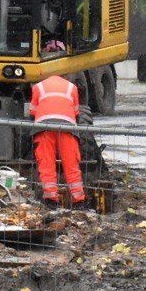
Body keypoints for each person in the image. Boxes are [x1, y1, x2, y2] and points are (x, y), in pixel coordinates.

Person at [28, 73, 84, 206]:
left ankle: (50, 200)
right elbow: (76, 113)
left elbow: (32, 113)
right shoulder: (72, 87)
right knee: (71, 164)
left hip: (44, 128)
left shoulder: (38, 87)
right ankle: (78, 200)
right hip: (67, 127)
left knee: (46, 163)